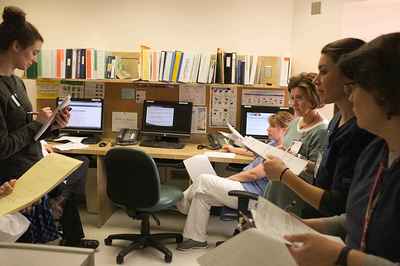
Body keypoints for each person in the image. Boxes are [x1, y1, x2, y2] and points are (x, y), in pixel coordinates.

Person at [284, 32, 400, 266]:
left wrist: (341, 257)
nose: (350, 94)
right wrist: (307, 226)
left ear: (384, 92)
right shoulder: (375, 153)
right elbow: (357, 218)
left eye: (356, 86)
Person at [0, 6, 98, 248]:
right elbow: (3, 146)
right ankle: (58, 213)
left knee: (79, 164)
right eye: (33, 52)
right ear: (15, 46)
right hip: (14, 173)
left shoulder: (16, 82)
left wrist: (53, 125)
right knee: (32, 246)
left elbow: (27, 126)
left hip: (31, 160)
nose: (34, 59)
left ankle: (69, 234)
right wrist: (36, 125)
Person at [263, 38, 376, 218]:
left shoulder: (360, 132)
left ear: (350, 75)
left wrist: (284, 174)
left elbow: (337, 204)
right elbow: (323, 172)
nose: (316, 80)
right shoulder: (337, 120)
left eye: (323, 72)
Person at [176, 111, 294, 251]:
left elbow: (253, 175)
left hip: (254, 196)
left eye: (271, 127)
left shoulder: (282, 153)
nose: (267, 129)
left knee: (203, 180)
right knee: (202, 195)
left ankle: (181, 202)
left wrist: (225, 180)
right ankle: (196, 239)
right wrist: (233, 149)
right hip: (245, 187)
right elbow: (253, 152)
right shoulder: (274, 144)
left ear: (284, 130)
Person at [263, 73, 328, 217]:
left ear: (313, 98)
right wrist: (278, 152)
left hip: (294, 198)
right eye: (292, 98)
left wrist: (294, 159)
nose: (293, 103)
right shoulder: (295, 122)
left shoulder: (322, 131)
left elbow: (317, 172)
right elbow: (287, 148)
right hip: (276, 190)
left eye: (299, 98)